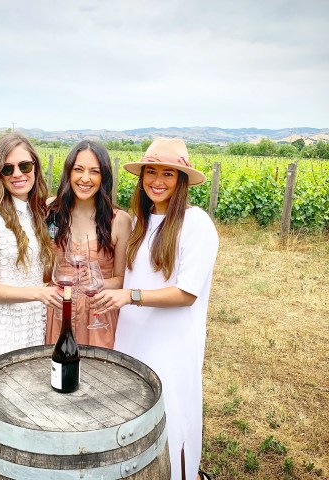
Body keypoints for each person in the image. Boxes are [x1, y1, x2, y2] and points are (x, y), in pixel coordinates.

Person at [94, 138, 218, 480]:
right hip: (132, 335)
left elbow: (185, 294)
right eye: (151, 171)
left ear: (181, 181)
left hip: (171, 341)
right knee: (131, 410)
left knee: (171, 414)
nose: (158, 180)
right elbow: (127, 278)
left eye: (168, 173)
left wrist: (130, 296)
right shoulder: (139, 222)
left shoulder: (197, 224)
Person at [0, 133, 62, 376]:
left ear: (35, 167)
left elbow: (37, 272)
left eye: (25, 165)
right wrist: (39, 293)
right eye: (7, 169)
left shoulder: (40, 211)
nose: (18, 174)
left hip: (35, 324)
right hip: (2, 329)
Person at [45, 140, 132, 348]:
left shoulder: (119, 220)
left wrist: (98, 281)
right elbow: (40, 269)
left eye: (94, 171)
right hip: (58, 313)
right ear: (69, 173)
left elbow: (121, 280)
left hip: (97, 316)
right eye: (78, 170)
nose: (85, 178)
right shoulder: (50, 210)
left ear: (104, 177)